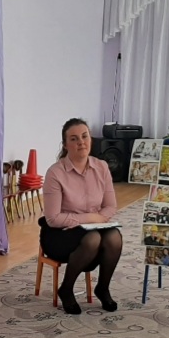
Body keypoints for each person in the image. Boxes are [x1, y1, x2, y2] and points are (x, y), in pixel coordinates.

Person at [40, 118, 122, 315]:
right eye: (74, 139)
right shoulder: (55, 173)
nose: (81, 142)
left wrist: (96, 219)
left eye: (84, 137)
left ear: (90, 139)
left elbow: (110, 206)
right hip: (59, 233)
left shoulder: (101, 167)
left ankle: (103, 288)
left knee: (114, 237)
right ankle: (66, 289)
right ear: (65, 145)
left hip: (93, 227)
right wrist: (91, 218)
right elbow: (53, 218)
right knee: (92, 239)